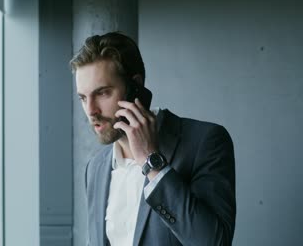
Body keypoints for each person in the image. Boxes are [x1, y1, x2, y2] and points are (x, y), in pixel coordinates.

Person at [70, 32, 236, 246]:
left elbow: (214, 243)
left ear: (135, 86)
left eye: (102, 93)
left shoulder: (205, 142)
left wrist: (152, 161)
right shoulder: (95, 168)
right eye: (83, 98)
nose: (91, 110)